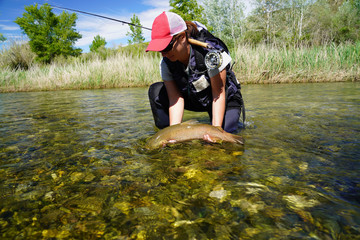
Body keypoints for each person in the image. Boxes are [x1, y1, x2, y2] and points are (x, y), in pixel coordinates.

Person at [146, 11, 245, 135]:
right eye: (159, 49)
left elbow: (218, 94)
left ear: (182, 37)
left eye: (166, 47)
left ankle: (232, 123)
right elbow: (175, 98)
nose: (163, 54)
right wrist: (172, 134)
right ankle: (164, 133)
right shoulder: (166, 63)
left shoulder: (210, 55)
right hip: (196, 98)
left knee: (225, 137)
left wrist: (215, 131)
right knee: (156, 91)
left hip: (223, 97)